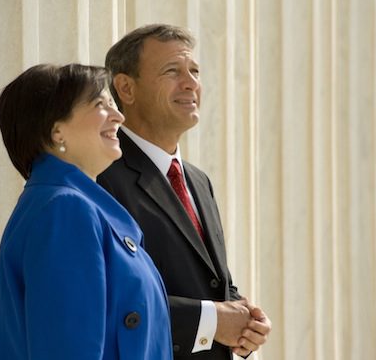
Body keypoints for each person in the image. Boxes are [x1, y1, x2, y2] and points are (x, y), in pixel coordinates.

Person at [98, 24, 271, 360]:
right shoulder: (102, 175)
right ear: (126, 88)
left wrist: (246, 321)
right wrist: (211, 321)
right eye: (172, 71)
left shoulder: (198, 180)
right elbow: (109, 296)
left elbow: (215, 284)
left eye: (194, 71)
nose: (191, 83)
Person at [0, 63, 173, 360]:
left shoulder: (68, 205)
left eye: (113, 103)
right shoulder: (65, 210)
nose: (119, 116)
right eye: (100, 104)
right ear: (56, 131)